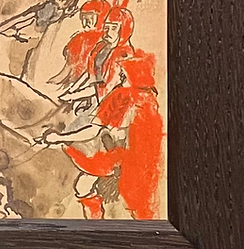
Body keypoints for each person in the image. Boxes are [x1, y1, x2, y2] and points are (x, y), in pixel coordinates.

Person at [38, 51, 163, 220]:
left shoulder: (123, 96)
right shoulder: (148, 99)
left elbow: (94, 130)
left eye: (123, 74)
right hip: (140, 161)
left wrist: (59, 138)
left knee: (82, 185)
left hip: (118, 158)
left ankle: (96, 224)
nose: (120, 77)